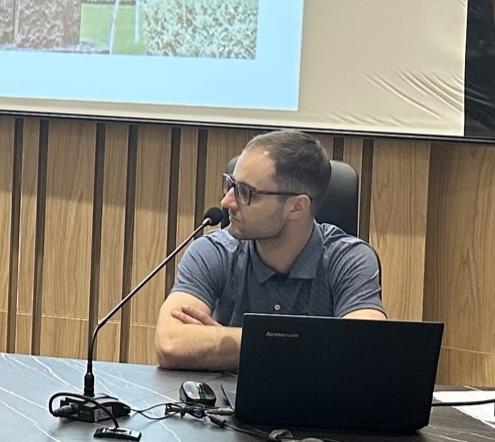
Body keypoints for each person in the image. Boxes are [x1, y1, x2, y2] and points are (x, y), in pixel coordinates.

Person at [154, 129, 384, 371]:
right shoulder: (212, 252)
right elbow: (170, 343)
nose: (227, 202)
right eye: (230, 184)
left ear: (297, 207)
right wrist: (309, 346)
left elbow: (367, 349)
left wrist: (230, 342)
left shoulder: (349, 259)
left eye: (246, 192)